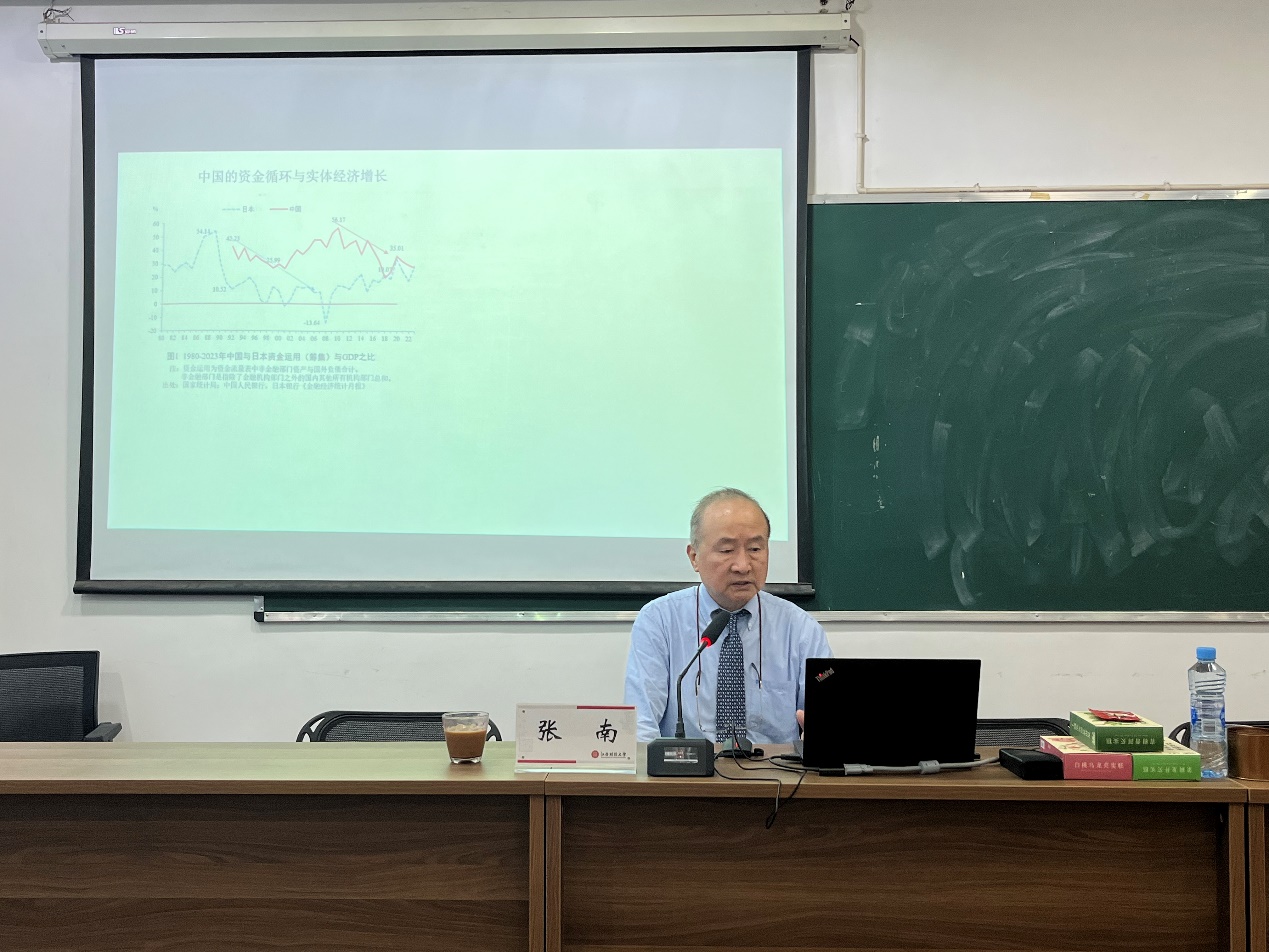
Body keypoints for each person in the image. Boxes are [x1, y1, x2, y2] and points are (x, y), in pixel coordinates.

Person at [623, 488, 829, 744]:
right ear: (694, 557)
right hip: (688, 766)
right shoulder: (660, 621)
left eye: (755, 548)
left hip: (773, 768)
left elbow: (828, 722)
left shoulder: (800, 629)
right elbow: (640, 727)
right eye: (726, 550)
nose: (743, 565)